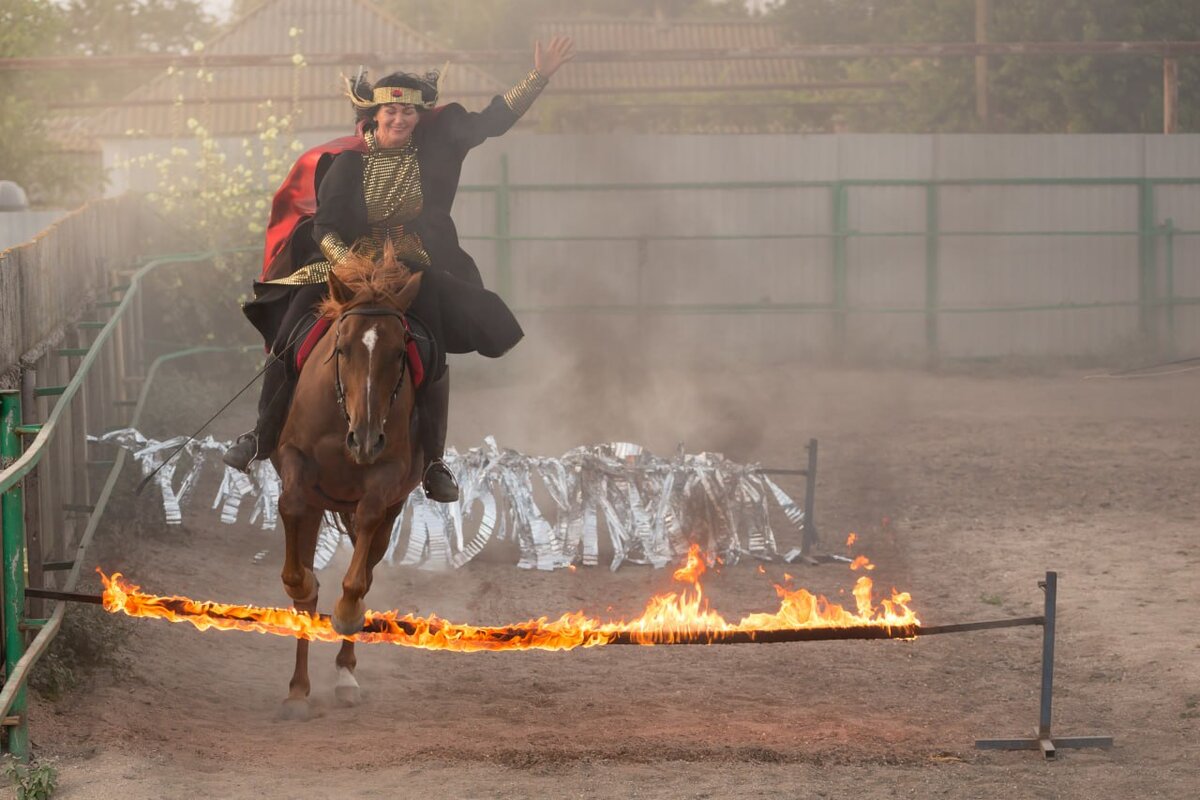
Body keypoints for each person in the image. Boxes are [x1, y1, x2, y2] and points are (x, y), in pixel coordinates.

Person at [225, 36, 576, 503]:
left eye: (408, 113)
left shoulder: (434, 152)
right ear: (373, 115)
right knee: (290, 339)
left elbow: (491, 121)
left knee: (431, 355)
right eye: (390, 113)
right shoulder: (346, 163)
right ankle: (260, 436)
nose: (399, 119)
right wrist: (348, 266)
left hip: (409, 267)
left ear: (418, 116)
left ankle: (431, 462)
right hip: (340, 267)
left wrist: (539, 75)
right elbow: (323, 228)